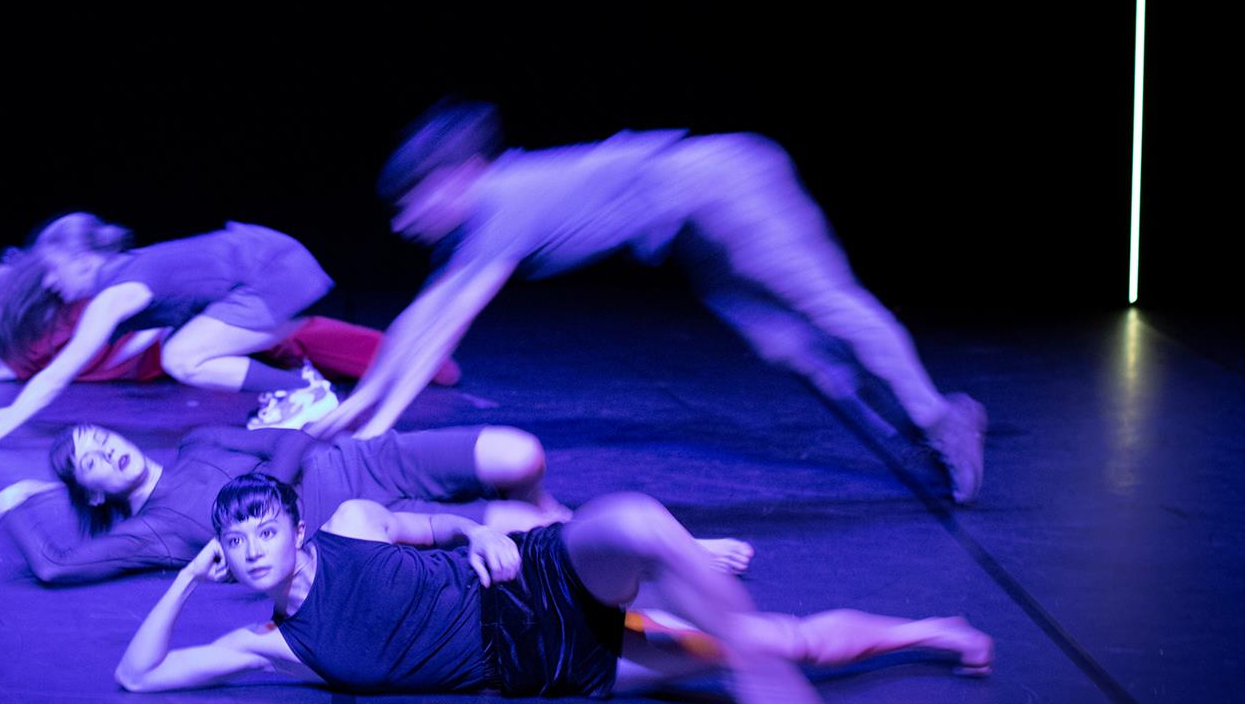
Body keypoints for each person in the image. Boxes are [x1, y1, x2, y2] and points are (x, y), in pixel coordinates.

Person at [309, 100, 988, 504]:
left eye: (417, 201)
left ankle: (939, 414)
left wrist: (373, 430)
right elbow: (423, 315)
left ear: (460, 178)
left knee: (827, 304)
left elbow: (449, 323)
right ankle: (910, 435)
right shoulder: (483, 217)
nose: (408, 221)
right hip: (691, 223)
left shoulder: (505, 199)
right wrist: (358, 407)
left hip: (724, 181)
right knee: (787, 349)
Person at [114, 475, 993, 704]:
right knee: (779, 640)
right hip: (546, 663)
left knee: (635, 517)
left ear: (296, 529)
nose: (253, 549)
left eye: (265, 530)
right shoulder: (273, 645)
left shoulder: (351, 523)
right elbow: (138, 675)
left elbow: (438, 521)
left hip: (528, 577)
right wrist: (186, 578)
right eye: (235, 543)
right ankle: (932, 633)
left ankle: (682, 558)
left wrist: (471, 531)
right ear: (224, 555)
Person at [0, 421, 670, 586]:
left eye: (100, 438)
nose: (106, 450)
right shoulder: (154, 530)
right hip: (374, 521)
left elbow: (291, 437)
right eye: (89, 461)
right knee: (533, 533)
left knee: (521, 454)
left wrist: (275, 486)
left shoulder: (198, 441)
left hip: (369, 462)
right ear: (92, 490)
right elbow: (55, 565)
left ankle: (575, 517)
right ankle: (662, 552)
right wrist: (12, 505)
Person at [0, 215, 342, 452]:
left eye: (54, 272)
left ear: (81, 261)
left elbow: (59, 372)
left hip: (275, 269)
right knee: (181, 347)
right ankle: (295, 388)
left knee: (182, 357)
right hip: (274, 264)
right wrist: (14, 412)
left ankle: (302, 390)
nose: (50, 284)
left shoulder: (116, 292)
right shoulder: (123, 274)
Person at [0, 253, 462, 388]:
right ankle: (419, 362)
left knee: (298, 336)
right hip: (183, 345)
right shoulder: (32, 349)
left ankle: (420, 361)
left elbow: (140, 309)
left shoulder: (75, 305)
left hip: (187, 332)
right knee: (296, 339)